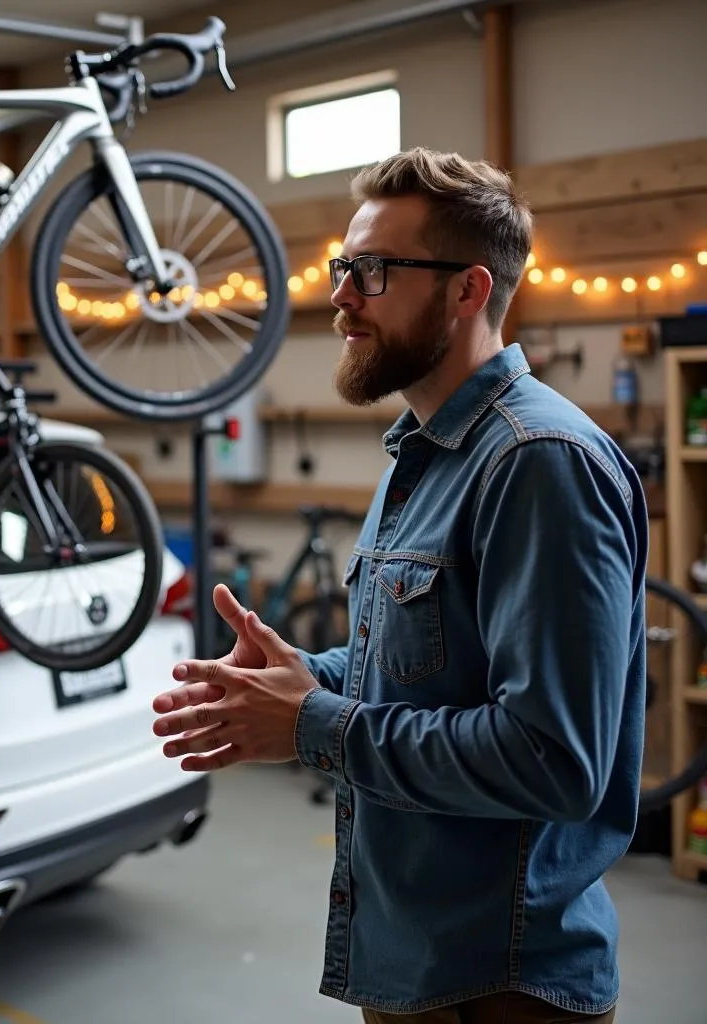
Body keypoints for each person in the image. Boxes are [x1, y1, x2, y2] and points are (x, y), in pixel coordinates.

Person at [151, 146, 647, 1024]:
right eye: (345, 267)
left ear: (468, 291)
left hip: (502, 985)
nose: (341, 296)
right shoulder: (420, 456)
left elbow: (554, 759)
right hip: (411, 962)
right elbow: (435, 662)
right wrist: (307, 677)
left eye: (372, 271)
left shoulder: (539, 464)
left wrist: (313, 724)